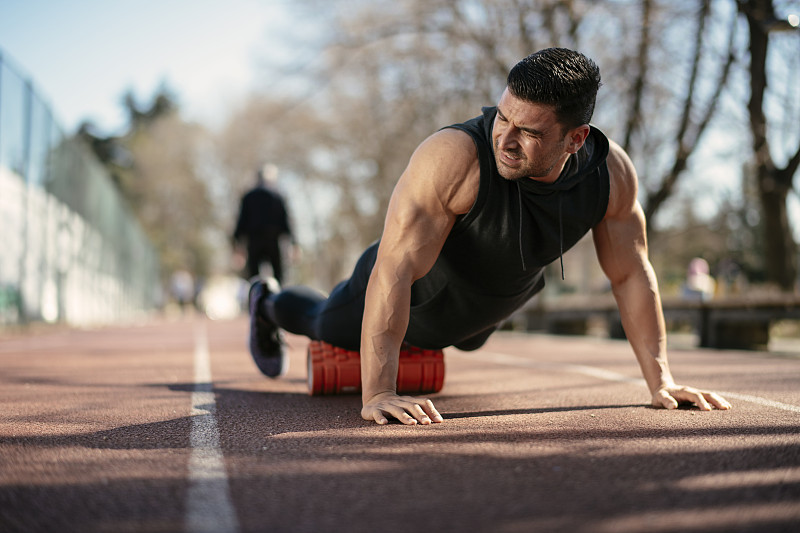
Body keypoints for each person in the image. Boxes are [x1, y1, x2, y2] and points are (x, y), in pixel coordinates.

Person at [248, 48, 732, 425]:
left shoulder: (610, 175)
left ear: (576, 138)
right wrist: (378, 392)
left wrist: (661, 382)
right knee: (322, 321)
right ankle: (266, 302)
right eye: (503, 117)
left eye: (529, 131)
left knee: (469, 340)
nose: (506, 137)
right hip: (412, 296)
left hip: (490, 305)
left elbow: (631, 275)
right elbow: (395, 268)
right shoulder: (453, 158)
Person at [233, 164, 294, 283]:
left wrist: (237, 245)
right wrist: (293, 244)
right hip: (273, 241)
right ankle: (277, 299)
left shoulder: (249, 196)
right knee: (278, 277)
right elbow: (286, 222)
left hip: (254, 241)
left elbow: (241, 223)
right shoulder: (278, 196)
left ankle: (254, 298)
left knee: (253, 277)